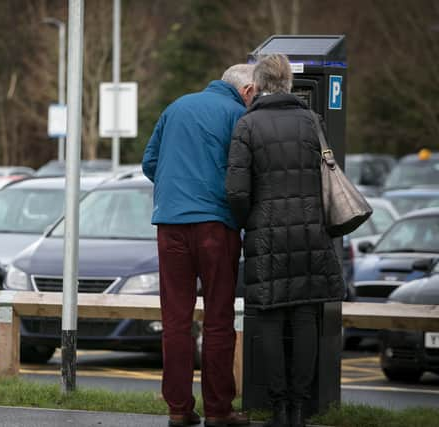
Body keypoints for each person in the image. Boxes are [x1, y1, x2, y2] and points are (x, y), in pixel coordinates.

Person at [226, 54, 344, 427]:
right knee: (306, 315)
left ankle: (278, 407)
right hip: (311, 231)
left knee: (273, 319)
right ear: (290, 83)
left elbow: (236, 190)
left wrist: (251, 223)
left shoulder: (247, 124)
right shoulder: (313, 121)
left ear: (257, 84)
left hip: (268, 233)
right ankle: (299, 408)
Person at [142, 64, 255, 427]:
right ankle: (219, 410)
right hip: (215, 227)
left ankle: (178, 408)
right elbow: (244, 171)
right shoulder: (238, 114)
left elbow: (150, 162)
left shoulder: (175, 107)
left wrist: (175, 190)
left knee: (175, 320)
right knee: (218, 320)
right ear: (248, 89)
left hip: (170, 225)